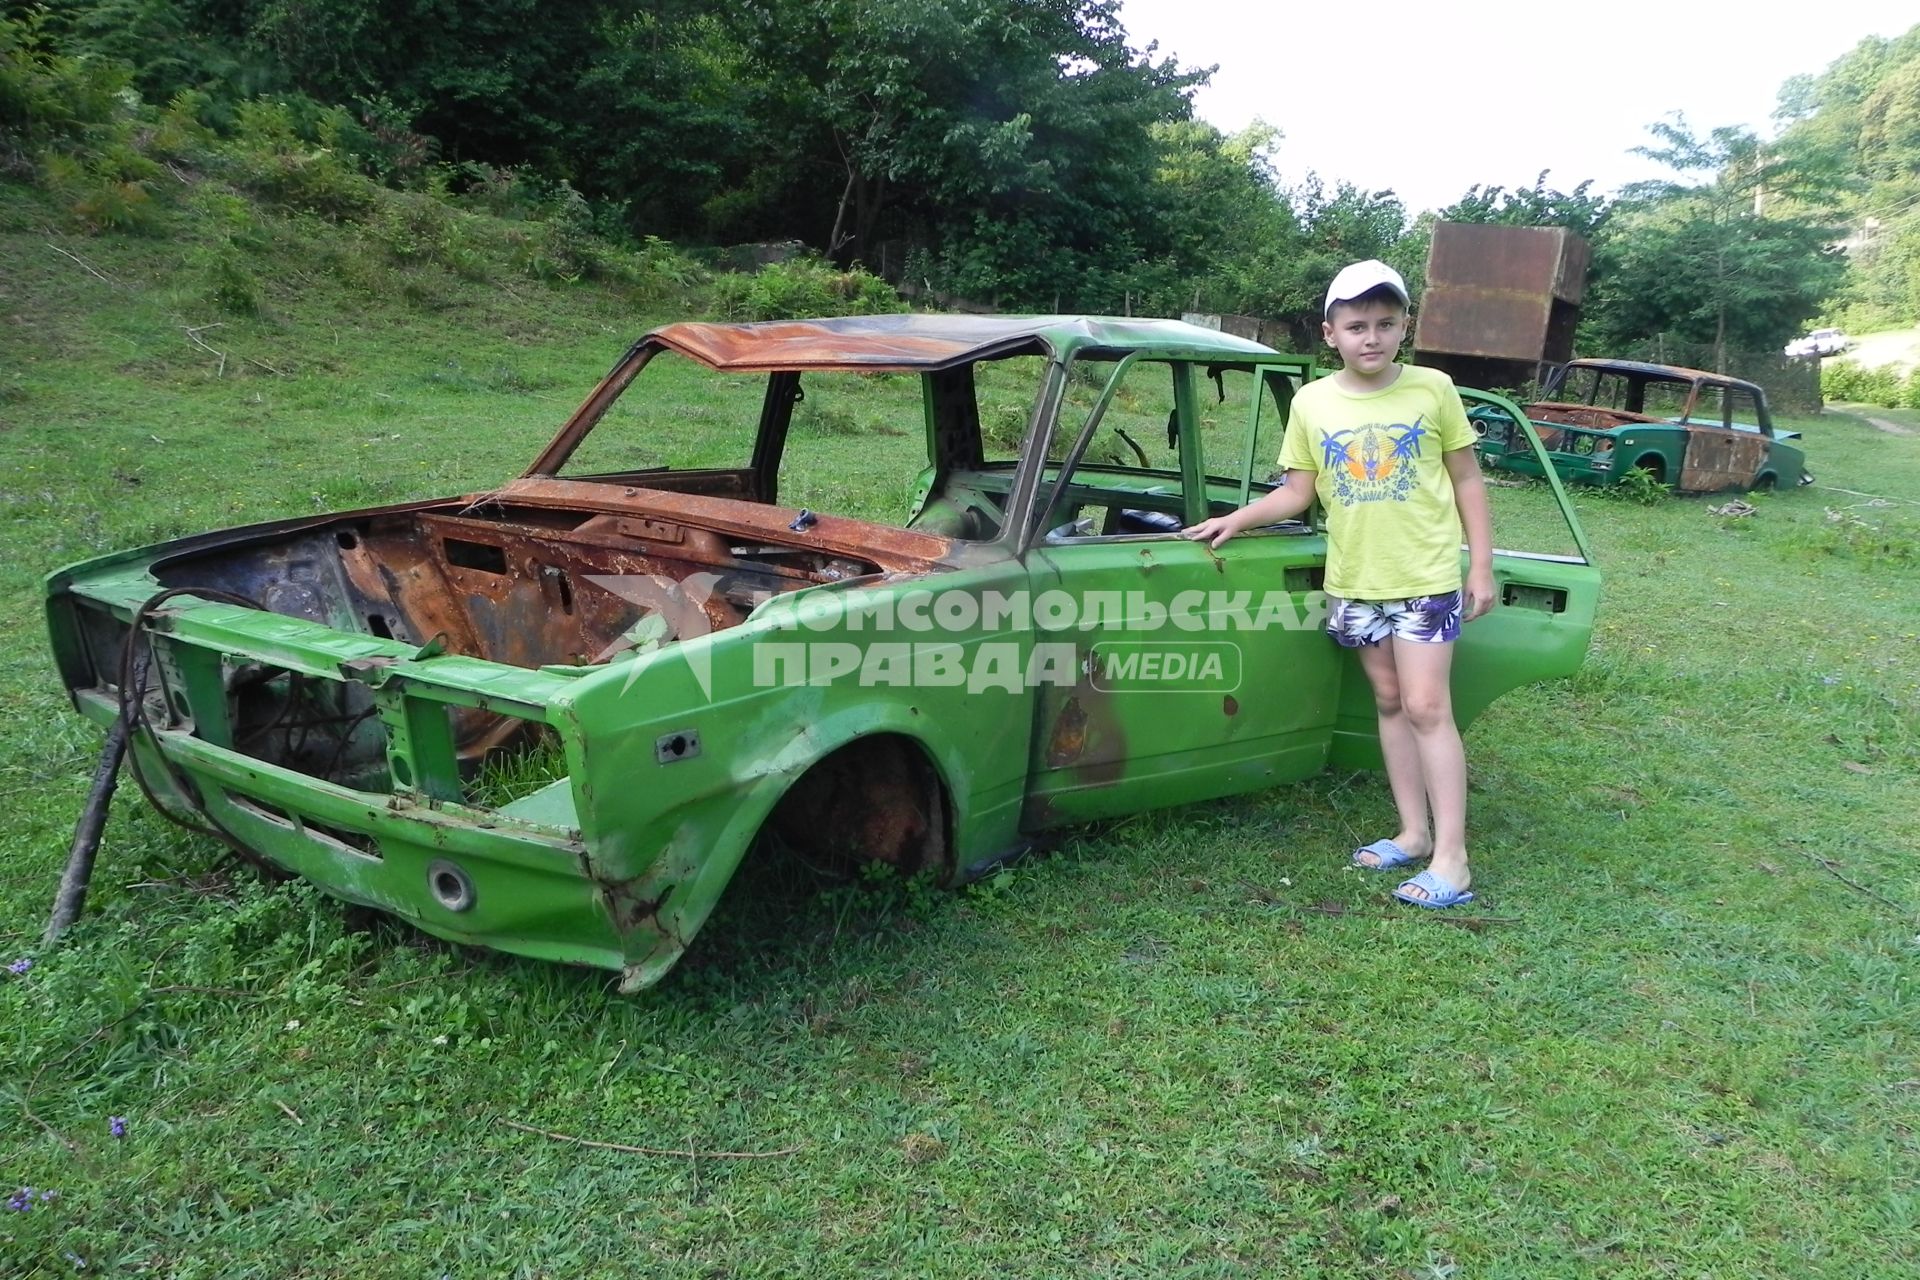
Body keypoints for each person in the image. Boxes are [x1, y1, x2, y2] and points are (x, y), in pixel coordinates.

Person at [1182, 259, 1494, 908]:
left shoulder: (1433, 390)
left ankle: (1453, 859)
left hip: (1425, 576)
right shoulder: (1312, 402)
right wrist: (1237, 519)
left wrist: (1482, 565)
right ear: (1330, 334)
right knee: (1388, 701)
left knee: (1428, 707)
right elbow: (1298, 493)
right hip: (1354, 579)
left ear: (1404, 325)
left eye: (1385, 323)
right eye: (1356, 326)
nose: (1371, 337)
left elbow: (1467, 478)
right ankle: (1412, 833)